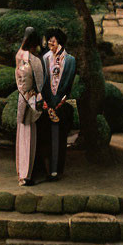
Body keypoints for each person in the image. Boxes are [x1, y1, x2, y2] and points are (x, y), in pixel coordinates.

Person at [40, 27, 76, 180]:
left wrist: (57, 102)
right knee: (46, 137)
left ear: (59, 41)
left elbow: (67, 83)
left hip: (60, 104)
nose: (50, 43)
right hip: (46, 104)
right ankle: (46, 169)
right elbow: (42, 81)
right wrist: (47, 102)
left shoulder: (70, 60)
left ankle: (56, 170)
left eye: (52, 40)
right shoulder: (45, 58)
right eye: (48, 40)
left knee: (59, 137)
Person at [14, 27, 44, 186]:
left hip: (22, 98)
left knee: (22, 137)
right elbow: (40, 84)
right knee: (29, 139)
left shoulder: (19, 55)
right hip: (32, 100)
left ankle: (21, 172)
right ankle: (26, 176)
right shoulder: (35, 60)